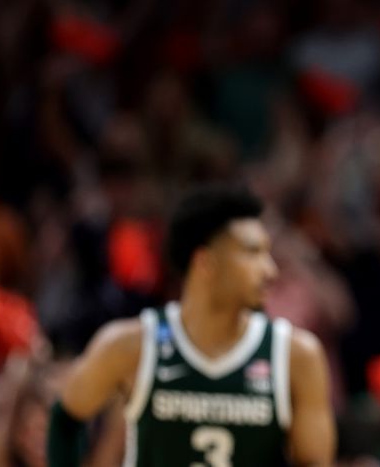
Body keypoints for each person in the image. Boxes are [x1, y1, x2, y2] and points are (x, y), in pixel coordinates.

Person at [46, 185, 335, 466]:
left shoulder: (296, 356)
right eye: (252, 253)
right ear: (205, 262)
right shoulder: (132, 345)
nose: (270, 270)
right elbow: (66, 418)